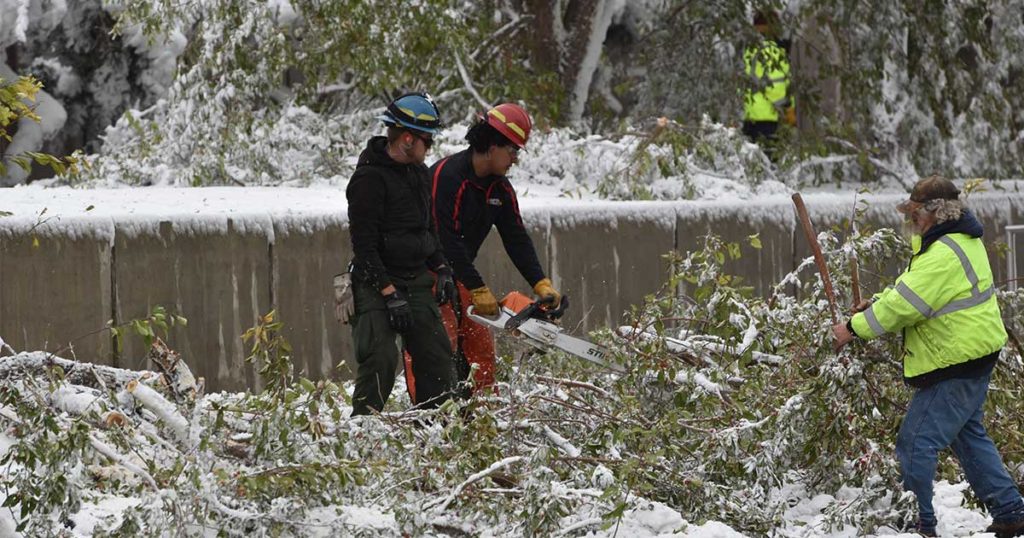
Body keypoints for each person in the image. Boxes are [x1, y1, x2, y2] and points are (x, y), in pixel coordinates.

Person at [832, 176, 1024, 537]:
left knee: (916, 442)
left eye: (916, 213)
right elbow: (915, 292)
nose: (911, 220)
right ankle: (1010, 510)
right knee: (968, 434)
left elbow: (906, 304)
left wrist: (852, 327)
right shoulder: (954, 241)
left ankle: (918, 522)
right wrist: (875, 305)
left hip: (955, 360)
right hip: (974, 353)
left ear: (936, 212)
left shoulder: (943, 252)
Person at [428, 103, 560, 393]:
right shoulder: (448, 176)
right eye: (512, 150)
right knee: (437, 351)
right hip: (426, 272)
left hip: (459, 274)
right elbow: (444, 239)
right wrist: (476, 286)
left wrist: (540, 282)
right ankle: (431, 420)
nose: (514, 159)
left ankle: (481, 419)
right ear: (491, 144)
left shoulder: (499, 189)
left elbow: (516, 236)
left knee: (480, 353)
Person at [344, 92, 459, 416]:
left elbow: (428, 230)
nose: (430, 148)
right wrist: (389, 293)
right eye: (428, 141)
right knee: (380, 356)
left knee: (436, 354)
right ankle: (363, 428)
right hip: (376, 282)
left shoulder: (419, 174)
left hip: (415, 280)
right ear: (408, 139)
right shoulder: (368, 180)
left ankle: (434, 427)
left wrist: (442, 267)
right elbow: (364, 247)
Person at [742, 10, 794, 160]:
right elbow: (777, 85)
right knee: (770, 167)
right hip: (769, 118)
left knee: (752, 167)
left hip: (750, 117)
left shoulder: (749, 49)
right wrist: (788, 107)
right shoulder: (774, 50)